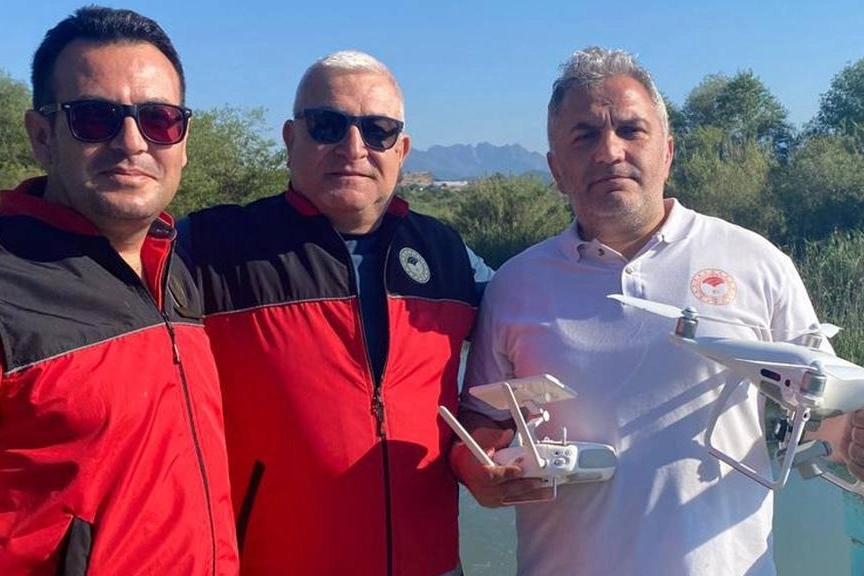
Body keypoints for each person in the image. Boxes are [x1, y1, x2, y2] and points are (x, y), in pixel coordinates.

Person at [452, 46, 860, 576]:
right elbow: (482, 421)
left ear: (667, 152)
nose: (610, 152)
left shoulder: (757, 262)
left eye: (631, 130)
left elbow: (828, 406)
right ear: (556, 170)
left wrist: (853, 441)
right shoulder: (515, 285)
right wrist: (477, 470)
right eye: (584, 136)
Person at [180, 50, 493, 575]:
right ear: (290, 139)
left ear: (402, 150)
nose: (353, 148)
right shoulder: (210, 247)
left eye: (378, 131)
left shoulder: (446, 253)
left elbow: (537, 326)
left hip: (432, 564)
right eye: (327, 125)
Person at [0, 6, 238, 575]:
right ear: (42, 136)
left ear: (183, 141)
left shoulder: (175, 268)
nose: (132, 142)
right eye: (94, 118)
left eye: (159, 120)